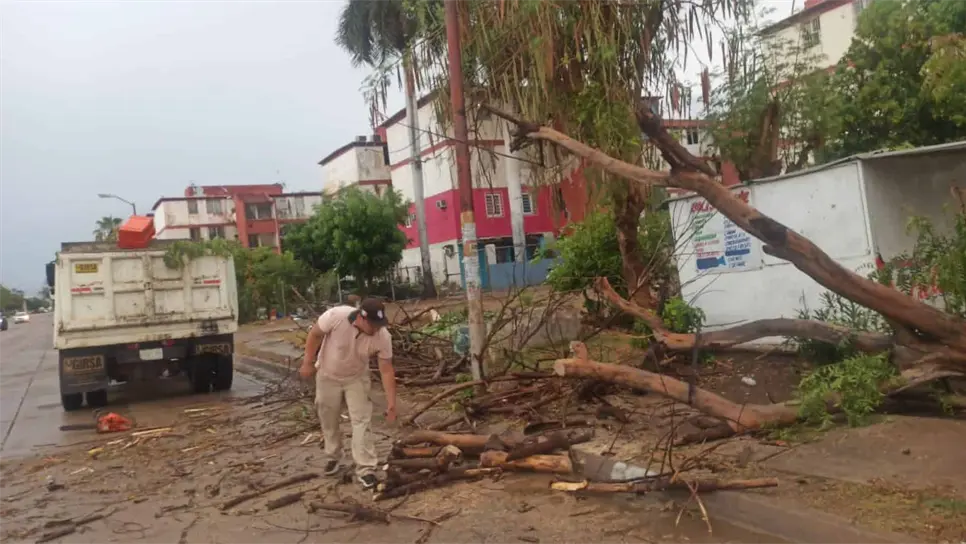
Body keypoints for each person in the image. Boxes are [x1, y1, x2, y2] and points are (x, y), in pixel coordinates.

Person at [299, 298, 397, 489]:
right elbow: (315, 335)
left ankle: (366, 468)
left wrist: (392, 403)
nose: (376, 329)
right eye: (373, 325)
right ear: (362, 317)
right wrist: (308, 362)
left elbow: (386, 369)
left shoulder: (383, 336)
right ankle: (333, 456)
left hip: (357, 378)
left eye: (380, 325)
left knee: (361, 420)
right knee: (328, 417)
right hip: (328, 375)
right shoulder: (336, 316)